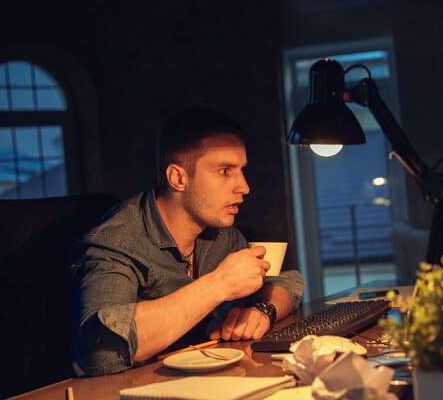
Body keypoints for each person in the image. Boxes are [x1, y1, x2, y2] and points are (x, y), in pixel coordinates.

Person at [71, 107, 305, 376]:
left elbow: (287, 281)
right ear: (178, 178)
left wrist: (262, 309)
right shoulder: (114, 242)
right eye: (225, 171)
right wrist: (219, 285)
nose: (244, 186)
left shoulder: (218, 233)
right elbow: (97, 351)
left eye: (241, 170)